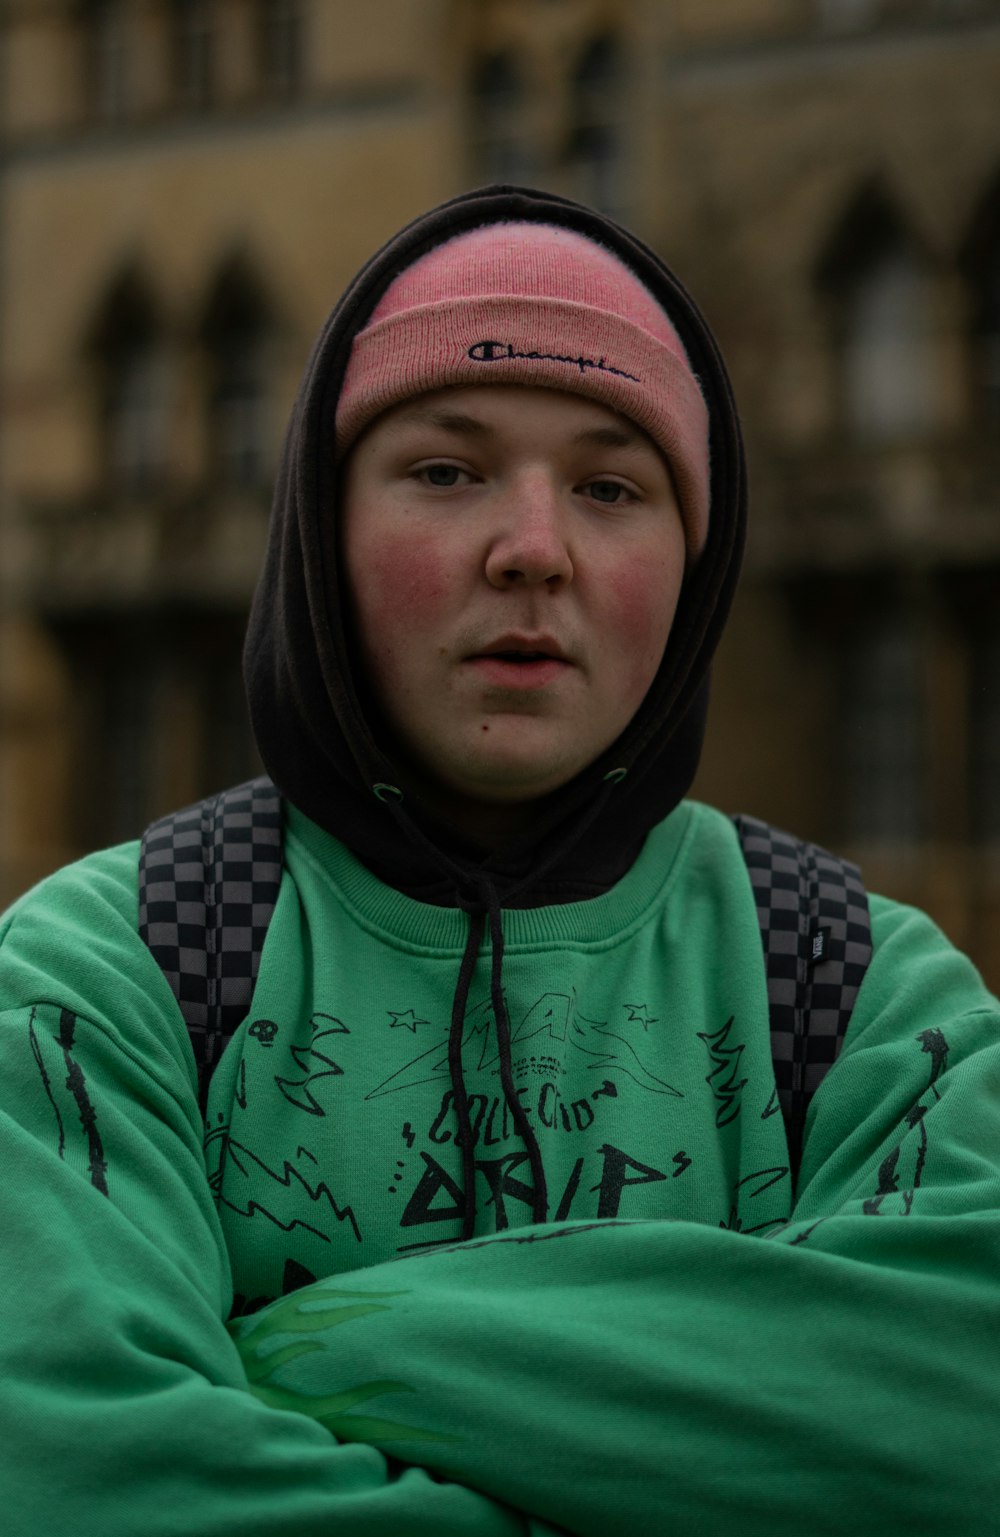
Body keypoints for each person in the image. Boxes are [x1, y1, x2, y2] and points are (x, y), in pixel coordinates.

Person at [1, 184, 998, 1537]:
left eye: (609, 485)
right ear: (322, 532)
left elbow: (960, 1408)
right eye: (445, 469)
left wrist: (304, 1350)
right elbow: (73, 1471)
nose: (533, 549)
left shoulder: (865, 993)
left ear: (693, 558)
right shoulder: (104, 975)